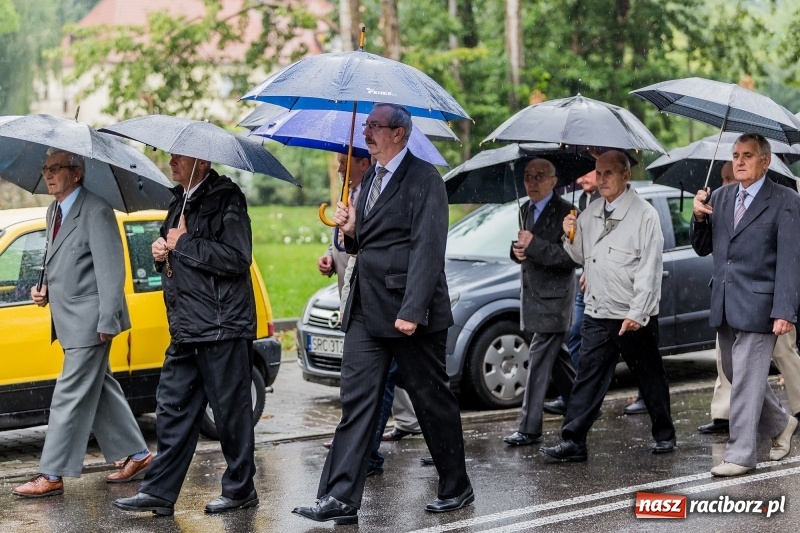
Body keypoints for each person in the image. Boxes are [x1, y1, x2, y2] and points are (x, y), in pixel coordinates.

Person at [292, 103, 473, 525]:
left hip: (410, 314)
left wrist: (413, 309)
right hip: (365, 308)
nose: (366, 133)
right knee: (357, 402)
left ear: (400, 133)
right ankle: (339, 497)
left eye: (375, 126)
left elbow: (428, 248)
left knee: (431, 401)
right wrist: (352, 232)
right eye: (366, 125)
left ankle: (456, 486)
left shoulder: (425, 179)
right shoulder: (369, 176)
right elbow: (367, 246)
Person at [114, 154, 258, 515]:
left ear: (203, 162)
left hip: (222, 326)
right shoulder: (178, 199)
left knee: (230, 414)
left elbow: (238, 257)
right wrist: (161, 253)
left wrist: (184, 243)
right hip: (186, 326)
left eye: (180, 157)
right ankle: (159, 492)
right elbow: (177, 253)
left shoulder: (228, 197)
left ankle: (241, 489)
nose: (171, 161)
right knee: (172, 407)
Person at [12, 149, 151, 498]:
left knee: (68, 395)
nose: (48, 174)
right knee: (100, 389)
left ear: (77, 173)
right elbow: (59, 259)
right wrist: (45, 290)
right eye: (45, 168)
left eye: (55, 168)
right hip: (67, 319)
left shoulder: (97, 211)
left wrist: (108, 320)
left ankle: (51, 473)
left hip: (91, 323)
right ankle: (138, 454)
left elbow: (110, 272)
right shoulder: (53, 210)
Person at [541, 150, 676, 462]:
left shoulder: (645, 215)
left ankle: (664, 434)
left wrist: (638, 313)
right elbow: (579, 257)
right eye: (598, 173)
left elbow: (650, 268)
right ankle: (573, 441)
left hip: (631, 313)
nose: (600, 180)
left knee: (649, 376)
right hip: (598, 310)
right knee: (588, 376)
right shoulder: (589, 211)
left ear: (625, 176)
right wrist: (570, 233)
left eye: (608, 174)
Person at [691, 133, 800, 477]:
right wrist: (698, 217)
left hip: (761, 306)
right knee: (741, 377)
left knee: (747, 380)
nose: (738, 161)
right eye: (735, 155)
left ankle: (741, 453)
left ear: (765, 161)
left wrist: (785, 309)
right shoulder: (720, 197)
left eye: (747, 155)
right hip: (725, 302)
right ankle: (783, 424)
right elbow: (702, 247)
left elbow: (790, 260)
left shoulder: (785, 200)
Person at [502, 158, 578, 447]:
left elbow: (568, 258)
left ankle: (529, 426)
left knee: (537, 358)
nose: (531, 182)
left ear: (553, 181)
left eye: (539, 176)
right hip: (532, 296)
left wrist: (533, 244)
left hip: (555, 299)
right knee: (557, 358)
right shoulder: (524, 209)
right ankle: (582, 405)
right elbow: (525, 247)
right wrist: (517, 250)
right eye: (527, 177)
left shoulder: (567, 212)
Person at [545, 169, 599, 416]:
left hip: (604, 280)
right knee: (576, 333)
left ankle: (581, 399)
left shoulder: (604, 200)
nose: (579, 178)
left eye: (589, 174)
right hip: (587, 279)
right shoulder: (583, 200)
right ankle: (576, 396)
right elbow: (581, 242)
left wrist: (593, 266)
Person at [318, 153, 369, 294]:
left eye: (344, 163)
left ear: (364, 164)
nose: (339, 169)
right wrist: (330, 257)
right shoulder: (346, 193)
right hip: (344, 288)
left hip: (362, 289)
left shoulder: (372, 197)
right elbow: (338, 236)